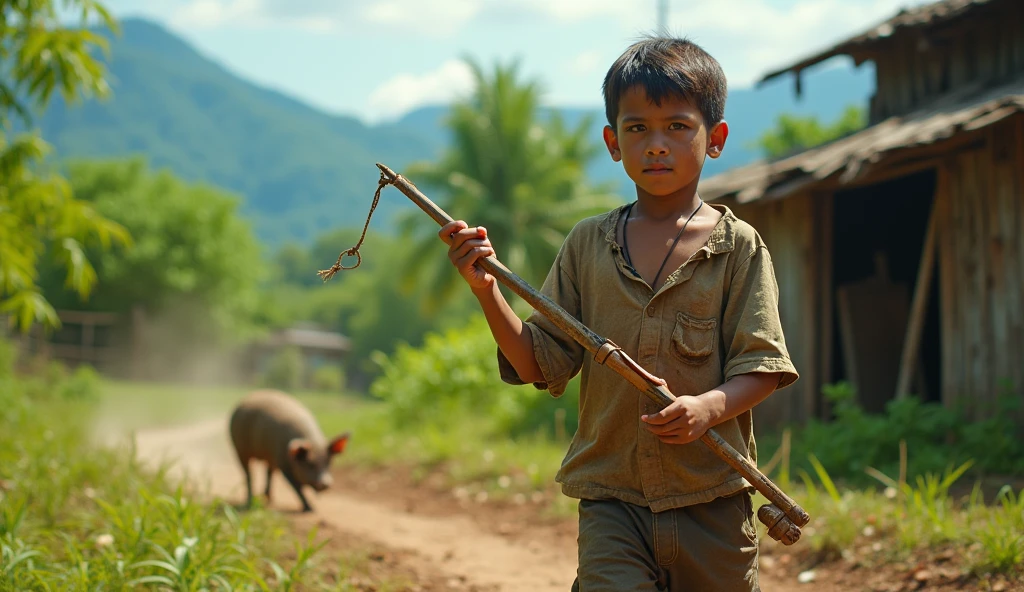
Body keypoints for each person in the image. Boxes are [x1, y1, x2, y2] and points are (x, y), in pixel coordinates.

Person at [438, 35, 799, 592]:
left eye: (677, 126)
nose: (656, 145)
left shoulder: (739, 248)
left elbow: (763, 367)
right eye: (637, 129)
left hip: (713, 502)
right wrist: (487, 290)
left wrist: (707, 408)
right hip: (612, 503)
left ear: (716, 138)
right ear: (612, 142)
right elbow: (538, 363)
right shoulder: (587, 245)